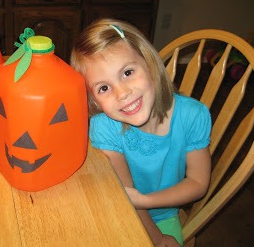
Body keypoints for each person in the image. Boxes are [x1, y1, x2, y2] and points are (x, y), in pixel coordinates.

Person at [70, 18, 212, 246]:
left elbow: (197, 182)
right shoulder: (104, 126)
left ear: (149, 63)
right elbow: (124, 197)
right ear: (93, 99)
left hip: (163, 214)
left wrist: (146, 203)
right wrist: (154, 237)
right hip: (118, 208)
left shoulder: (192, 115)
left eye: (127, 73)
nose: (122, 93)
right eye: (104, 88)